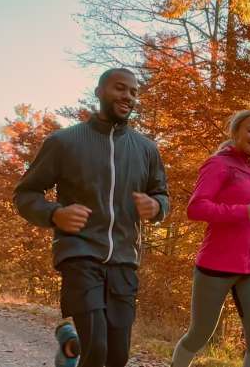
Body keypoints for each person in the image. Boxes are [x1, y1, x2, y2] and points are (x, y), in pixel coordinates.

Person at [13, 68, 170, 367]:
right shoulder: (64, 142)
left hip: (124, 260)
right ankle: (77, 348)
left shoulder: (147, 149)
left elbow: (162, 195)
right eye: (120, 88)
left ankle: (69, 353)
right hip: (80, 253)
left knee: (117, 357)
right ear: (99, 92)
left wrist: (156, 207)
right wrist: (55, 214)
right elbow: (25, 194)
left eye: (134, 92)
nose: (128, 96)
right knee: (96, 348)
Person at [171, 110, 250, 367]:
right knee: (200, 334)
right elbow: (196, 208)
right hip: (217, 265)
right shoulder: (218, 164)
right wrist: (243, 213)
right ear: (235, 132)